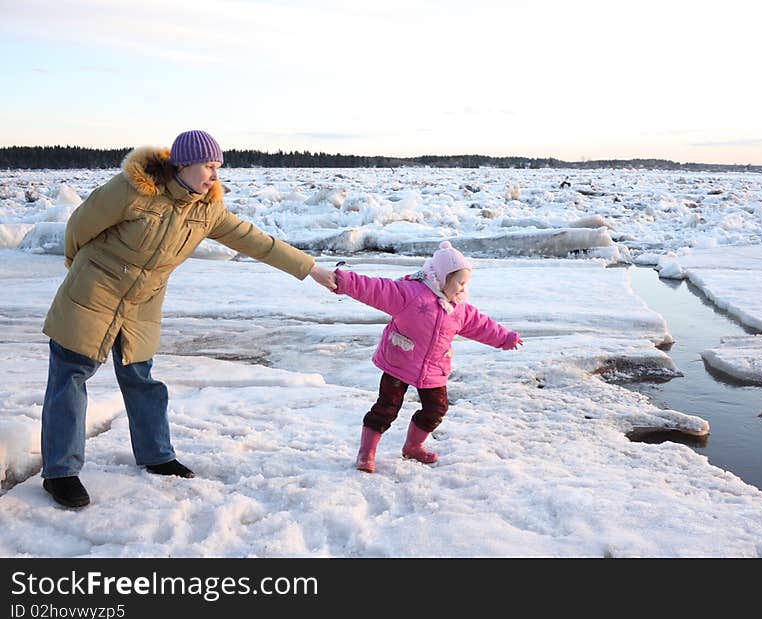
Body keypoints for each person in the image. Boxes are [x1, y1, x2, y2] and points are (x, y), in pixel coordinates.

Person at [40, 130, 337, 508]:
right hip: (93, 292)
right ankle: (61, 473)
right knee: (71, 375)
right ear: (183, 164)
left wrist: (311, 268)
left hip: (142, 303)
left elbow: (255, 240)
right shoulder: (133, 190)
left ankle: (156, 455)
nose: (215, 175)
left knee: (140, 376)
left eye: (218, 167)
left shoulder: (206, 209)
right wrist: (79, 268)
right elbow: (80, 227)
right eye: (209, 166)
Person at [332, 241, 523, 473]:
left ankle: (413, 446)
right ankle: (366, 453)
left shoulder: (459, 309)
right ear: (442, 278)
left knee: (436, 409)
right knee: (386, 408)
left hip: (433, 368)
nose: (463, 288)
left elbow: (482, 326)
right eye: (459, 282)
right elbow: (374, 289)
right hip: (399, 362)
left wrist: (505, 338)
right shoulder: (410, 294)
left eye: (466, 283)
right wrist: (342, 281)